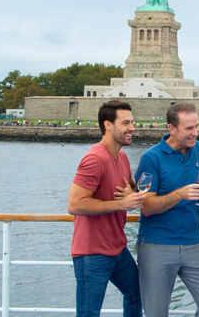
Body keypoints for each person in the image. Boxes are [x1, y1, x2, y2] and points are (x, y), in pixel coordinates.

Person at [135, 102, 199, 317]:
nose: (196, 133)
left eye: (197, 126)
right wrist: (180, 194)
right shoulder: (151, 158)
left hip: (194, 243)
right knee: (156, 312)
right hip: (157, 245)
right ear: (171, 128)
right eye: (189, 129)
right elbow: (146, 207)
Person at [67, 99, 149, 317]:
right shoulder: (95, 159)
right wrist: (121, 204)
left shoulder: (121, 156)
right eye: (126, 123)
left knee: (137, 293)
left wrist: (133, 194)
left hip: (117, 248)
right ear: (108, 125)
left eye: (132, 122)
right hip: (92, 253)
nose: (132, 128)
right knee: (88, 313)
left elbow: (133, 188)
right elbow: (74, 204)